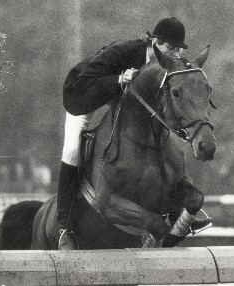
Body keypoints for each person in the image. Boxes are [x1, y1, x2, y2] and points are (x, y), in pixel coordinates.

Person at [58, 17, 190, 250]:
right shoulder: (124, 51)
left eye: (178, 49)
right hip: (84, 94)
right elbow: (85, 81)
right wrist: (118, 79)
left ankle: (176, 210)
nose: (174, 54)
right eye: (170, 47)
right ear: (155, 42)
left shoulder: (165, 65)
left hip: (119, 101)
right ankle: (63, 228)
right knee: (71, 150)